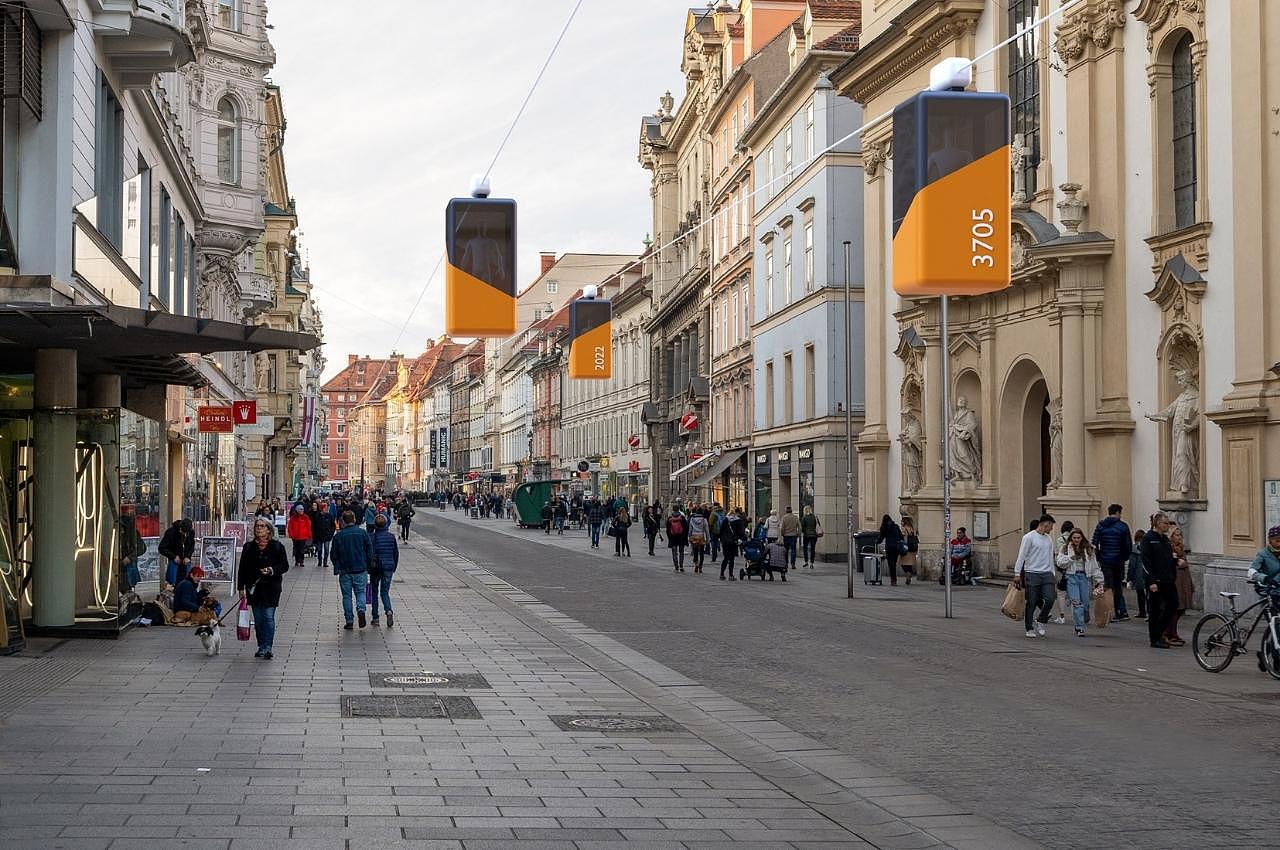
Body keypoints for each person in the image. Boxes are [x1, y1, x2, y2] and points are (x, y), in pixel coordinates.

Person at [237, 518, 289, 658]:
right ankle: (261, 646)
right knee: (259, 619)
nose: (258, 528)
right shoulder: (249, 547)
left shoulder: (277, 546)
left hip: (271, 587)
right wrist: (240, 588)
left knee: (268, 616)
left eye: (261, 526)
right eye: (256, 526)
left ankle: (267, 647)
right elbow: (242, 569)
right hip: (254, 588)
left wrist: (272, 570)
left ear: (268, 529)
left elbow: (284, 566)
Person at [1013, 515, 1057, 638]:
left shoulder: (1048, 538)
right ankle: (1029, 627)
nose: (1052, 529)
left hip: (1047, 573)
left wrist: (1052, 573)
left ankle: (1041, 620)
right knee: (1031, 601)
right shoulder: (1029, 537)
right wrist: (1017, 573)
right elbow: (1022, 555)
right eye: (1051, 526)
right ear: (1046, 524)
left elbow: (1050, 557)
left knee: (1050, 598)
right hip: (1032, 573)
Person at [1056, 527, 1103, 637]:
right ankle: (1079, 627)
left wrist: (1100, 580)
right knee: (1077, 602)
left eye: (1078, 537)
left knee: (1085, 603)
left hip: (1084, 577)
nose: (1076, 540)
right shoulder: (1065, 548)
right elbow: (1059, 562)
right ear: (1071, 538)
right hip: (1071, 577)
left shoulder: (1089, 549)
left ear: (1082, 538)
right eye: (1074, 538)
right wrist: (1071, 558)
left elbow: (1094, 566)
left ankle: (1083, 616)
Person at [1140, 512, 1178, 649]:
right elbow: (1145, 561)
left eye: (1168, 523)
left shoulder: (1165, 540)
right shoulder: (1148, 538)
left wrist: (1176, 562)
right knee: (1154, 609)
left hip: (1167, 578)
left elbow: (1167, 557)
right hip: (1155, 580)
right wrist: (1151, 581)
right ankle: (1154, 638)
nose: (1168, 526)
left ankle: (1160, 631)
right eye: (1165, 523)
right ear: (1157, 524)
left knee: (1173, 604)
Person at [330, 510, 372, 630]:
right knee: (360, 592)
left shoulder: (339, 536)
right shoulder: (362, 533)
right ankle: (361, 609)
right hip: (360, 568)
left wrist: (337, 566)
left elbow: (333, 554)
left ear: (343, 521)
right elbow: (369, 550)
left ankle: (349, 620)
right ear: (354, 519)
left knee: (347, 596)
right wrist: (368, 564)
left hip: (345, 570)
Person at [1092, 504, 1133, 622]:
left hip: (1105, 560)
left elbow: (1095, 543)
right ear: (1118, 513)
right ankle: (1121, 611)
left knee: (1108, 586)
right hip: (1118, 560)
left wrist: (1100, 557)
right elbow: (1127, 545)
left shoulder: (1100, 525)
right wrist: (1125, 557)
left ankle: (1109, 611)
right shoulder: (1123, 526)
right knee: (1118, 586)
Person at [1165, 524, 1194, 646]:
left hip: (1183, 581)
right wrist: (1179, 563)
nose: (1179, 537)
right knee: (1174, 609)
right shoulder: (1168, 548)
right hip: (1175, 581)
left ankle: (1174, 631)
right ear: (1171, 536)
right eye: (1177, 535)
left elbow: (1185, 564)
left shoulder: (1181, 547)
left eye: (1180, 534)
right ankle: (1168, 632)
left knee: (1180, 609)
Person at [369, 514, 399, 627]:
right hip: (388, 567)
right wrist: (393, 566)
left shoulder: (371, 537)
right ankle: (389, 611)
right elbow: (395, 553)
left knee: (374, 592)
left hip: (376, 568)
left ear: (375, 525)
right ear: (386, 524)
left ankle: (375, 617)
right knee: (385, 592)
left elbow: (370, 554)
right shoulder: (391, 537)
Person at [1050, 520, 1075, 625]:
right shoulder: (1075, 539)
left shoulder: (1060, 539)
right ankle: (1076, 616)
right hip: (1073, 568)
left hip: (1062, 569)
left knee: (1061, 593)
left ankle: (1062, 616)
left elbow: (1057, 554)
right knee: (1074, 593)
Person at [158, 518, 196, 587]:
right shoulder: (170, 532)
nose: (184, 534)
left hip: (186, 562)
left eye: (186, 532)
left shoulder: (191, 532)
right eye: (183, 531)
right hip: (174, 561)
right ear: (180, 528)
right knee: (173, 582)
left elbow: (192, 546)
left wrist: (188, 556)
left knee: (188, 582)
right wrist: (173, 556)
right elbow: (161, 548)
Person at [877, 515, 904, 586]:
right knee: (894, 563)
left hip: (889, 547)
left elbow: (881, 538)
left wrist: (877, 542)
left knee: (890, 564)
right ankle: (894, 580)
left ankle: (893, 580)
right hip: (896, 547)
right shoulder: (896, 526)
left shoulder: (884, 527)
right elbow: (901, 536)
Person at [1127, 528, 1148, 619]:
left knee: (1140, 595)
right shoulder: (1147, 549)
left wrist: (1129, 578)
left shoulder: (1134, 549)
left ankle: (1142, 612)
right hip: (1147, 574)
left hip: (1138, 575)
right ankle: (1149, 613)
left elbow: (1132, 565)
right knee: (1148, 595)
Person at [719, 508, 744, 581]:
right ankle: (731, 575)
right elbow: (741, 532)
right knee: (732, 559)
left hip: (725, 542)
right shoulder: (738, 520)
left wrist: (721, 539)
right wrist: (741, 539)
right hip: (734, 541)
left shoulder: (726, 519)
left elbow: (721, 530)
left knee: (725, 558)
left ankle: (722, 574)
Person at [309, 501, 335, 570]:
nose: (327, 509)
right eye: (325, 508)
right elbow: (313, 527)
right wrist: (314, 536)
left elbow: (333, 526)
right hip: (319, 536)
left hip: (327, 536)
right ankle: (320, 560)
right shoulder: (317, 516)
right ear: (322, 509)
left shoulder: (329, 516)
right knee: (319, 549)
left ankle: (325, 561)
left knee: (326, 550)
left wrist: (331, 534)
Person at [285, 503, 311, 570]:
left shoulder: (305, 517)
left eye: (302, 509)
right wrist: (290, 534)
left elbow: (308, 526)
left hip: (303, 536)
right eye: (300, 509)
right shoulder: (293, 518)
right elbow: (290, 527)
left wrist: (309, 535)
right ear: (297, 510)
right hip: (295, 536)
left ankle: (301, 561)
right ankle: (297, 561)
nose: (302, 511)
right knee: (296, 549)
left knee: (302, 549)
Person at [665, 506, 688, 572]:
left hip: (673, 537)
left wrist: (669, 537)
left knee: (674, 553)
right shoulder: (682, 518)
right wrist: (684, 537)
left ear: (673, 510)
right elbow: (686, 528)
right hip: (681, 537)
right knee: (681, 552)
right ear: (678, 510)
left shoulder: (670, 518)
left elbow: (668, 529)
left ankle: (676, 567)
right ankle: (681, 566)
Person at [688, 506, 710, 573]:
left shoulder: (692, 519)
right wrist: (708, 539)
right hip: (701, 536)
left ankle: (696, 564)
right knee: (701, 552)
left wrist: (689, 536)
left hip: (694, 536)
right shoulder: (704, 519)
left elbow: (690, 529)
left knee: (695, 552)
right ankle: (700, 567)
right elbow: (707, 530)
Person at [780, 506, 801, 571]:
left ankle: (786, 563)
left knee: (786, 550)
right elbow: (799, 527)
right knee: (793, 550)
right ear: (791, 511)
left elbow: (782, 528)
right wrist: (798, 534)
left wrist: (782, 534)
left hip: (786, 536)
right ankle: (793, 564)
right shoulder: (795, 517)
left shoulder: (784, 518)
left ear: (786, 511)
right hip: (793, 536)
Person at [899, 516, 919, 585]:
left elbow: (903, 537)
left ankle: (908, 573)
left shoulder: (903, 528)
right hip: (912, 548)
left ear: (904, 521)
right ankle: (909, 574)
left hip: (906, 548)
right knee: (910, 563)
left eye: (902, 521)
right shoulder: (912, 528)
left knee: (902, 563)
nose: (901, 522)